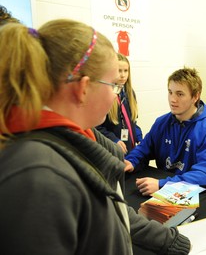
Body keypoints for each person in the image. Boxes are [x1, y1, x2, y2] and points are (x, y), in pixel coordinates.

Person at [0, 19, 190, 255]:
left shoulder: (80, 138)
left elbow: (113, 208)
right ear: (83, 89)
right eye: (112, 85)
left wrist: (171, 241)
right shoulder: (37, 177)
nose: (115, 95)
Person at [125, 67, 206, 196]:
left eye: (180, 94)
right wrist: (131, 161)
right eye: (170, 92)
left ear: (195, 96)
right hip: (167, 190)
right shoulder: (162, 122)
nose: (173, 99)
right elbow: (145, 148)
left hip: (200, 195)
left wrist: (164, 185)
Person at [96, 53, 143, 155]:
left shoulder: (130, 93)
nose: (123, 75)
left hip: (130, 148)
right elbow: (97, 127)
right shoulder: (105, 94)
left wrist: (139, 136)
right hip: (113, 149)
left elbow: (132, 121)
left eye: (126, 71)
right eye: (119, 71)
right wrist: (114, 139)